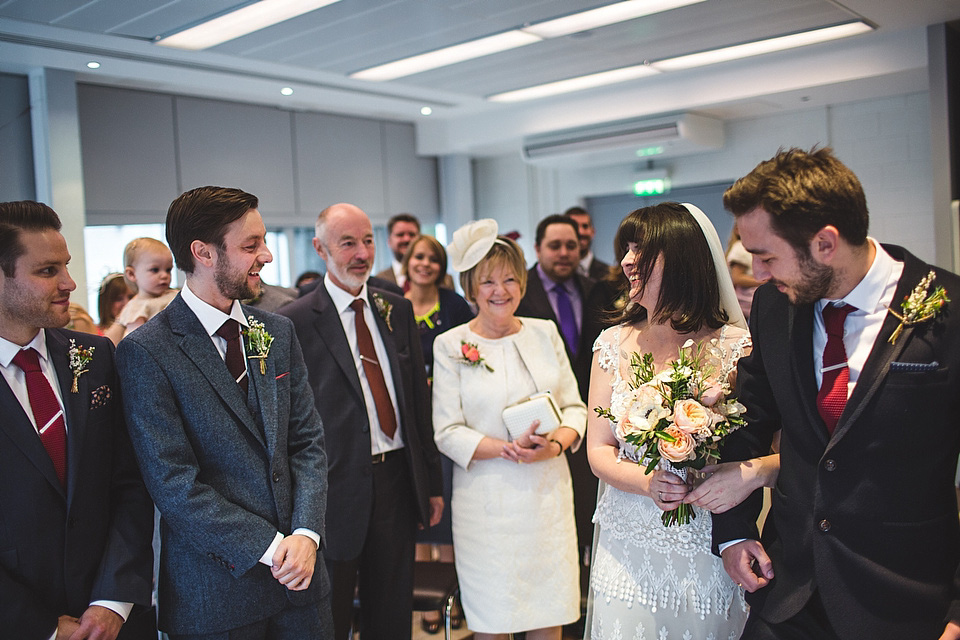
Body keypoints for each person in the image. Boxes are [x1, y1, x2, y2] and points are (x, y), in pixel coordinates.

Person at [712, 147, 960, 640]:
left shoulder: (949, 311)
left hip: (906, 600)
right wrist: (734, 534)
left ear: (825, 243)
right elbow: (746, 419)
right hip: (787, 590)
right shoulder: (772, 306)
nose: (757, 274)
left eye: (766, 256)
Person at [116, 186, 332, 639]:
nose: (267, 256)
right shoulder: (147, 351)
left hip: (302, 585)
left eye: (264, 241)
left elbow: (307, 442)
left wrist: (307, 534)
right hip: (216, 595)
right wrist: (274, 548)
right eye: (251, 246)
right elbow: (173, 483)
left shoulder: (276, 331)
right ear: (203, 253)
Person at [585, 202, 771, 639]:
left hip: (703, 540)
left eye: (641, 250)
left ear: (683, 259)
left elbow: (761, 444)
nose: (627, 261)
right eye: (626, 249)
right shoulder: (611, 343)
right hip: (626, 541)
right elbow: (598, 448)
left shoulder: (736, 347)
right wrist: (647, 482)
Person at [279, 203, 443, 640]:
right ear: (320, 248)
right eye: (347, 242)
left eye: (368, 240)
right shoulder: (294, 321)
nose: (361, 252)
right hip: (332, 489)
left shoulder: (395, 308)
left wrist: (430, 483)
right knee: (328, 616)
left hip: (396, 482)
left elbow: (415, 403)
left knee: (391, 612)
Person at [0, 200, 155, 639]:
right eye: (47, 271)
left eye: (65, 266)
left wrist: (112, 600)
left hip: (116, 616)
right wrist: (41, 627)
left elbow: (130, 483)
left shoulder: (93, 354)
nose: (69, 282)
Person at [432, 218, 585, 640]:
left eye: (510, 279)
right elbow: (446, 431)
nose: (501, 290)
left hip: (546, 497)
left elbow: (576, 408)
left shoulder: (544, 333)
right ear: (470, 287)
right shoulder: (450, 345)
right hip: (487, 506)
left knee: (547, 614)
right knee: (493, 619)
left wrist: (554, 446)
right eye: (489, 282)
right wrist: (504, 449)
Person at [516, 213, 597, 605]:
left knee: (585, 516)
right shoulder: (517, 292)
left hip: (590, 423)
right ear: (537, 249)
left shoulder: (595, 289)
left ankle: (580, 600)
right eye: (555, 246)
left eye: (571, 245)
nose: (565, 253)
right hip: (539, 428)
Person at [401, 233, 473, 633]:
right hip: (410, 421)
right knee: (418, 509)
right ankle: (425, 602)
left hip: (446, 417)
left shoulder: (454, 305)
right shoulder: (392, 302)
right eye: (419, 257)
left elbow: (467, 359)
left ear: (441, 266)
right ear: (408, 261)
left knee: (442, 506)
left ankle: (450, 594)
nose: (425, 264)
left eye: (433, 258)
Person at [105, 237, 177, 344]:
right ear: (132, 274)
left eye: (168, 270)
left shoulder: (175, 295)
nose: (164, 275)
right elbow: (139, 341)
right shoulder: (135, 307)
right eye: (155, 270)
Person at [375, 213, 454, 290]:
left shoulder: (445, 280)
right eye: (400, 234)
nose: (407, 239)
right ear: (389, 241)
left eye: (412, 234)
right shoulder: (378, 281)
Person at [727, 223, 763, 320]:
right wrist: (762, 282)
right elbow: (737, 278)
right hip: (745, 302)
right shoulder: (740, 248)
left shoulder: (752, 249)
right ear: (737, 230)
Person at [565, 206, 610, 280]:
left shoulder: (610, 275)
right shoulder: (554, 274)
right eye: (575, 226)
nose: (580, 232)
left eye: (585, 226)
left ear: (593, 232)